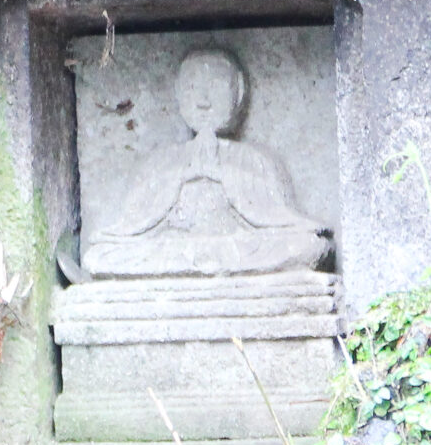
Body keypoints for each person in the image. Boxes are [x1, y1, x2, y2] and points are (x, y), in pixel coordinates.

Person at [80, 47, 331, 277]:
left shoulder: (256, 160)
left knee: (305, 246)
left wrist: (223, 175)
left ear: (239, 93)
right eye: (191, 88)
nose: (203, 100)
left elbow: (282, 219)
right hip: (174, 249)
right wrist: (181, 177)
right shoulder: (160, 163)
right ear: (178, 94)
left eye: (217, 86)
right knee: (100, 256)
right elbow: (131, 225)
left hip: (238, 248)